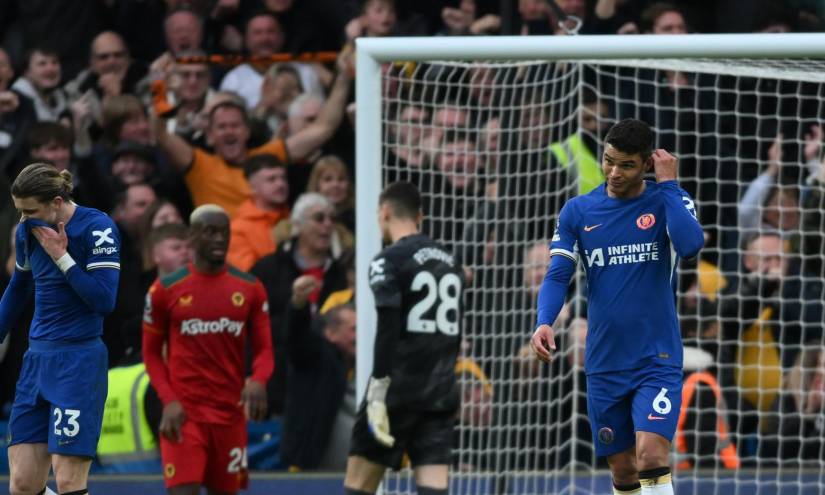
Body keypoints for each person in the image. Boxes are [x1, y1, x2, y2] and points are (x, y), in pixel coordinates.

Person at [531, 118, 704, 495]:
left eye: (625, 164)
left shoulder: (667, 199)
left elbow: (690, 246)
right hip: (605, 360)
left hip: (655, 357)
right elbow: (559, 274)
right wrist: (545, 321)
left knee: (651, 455)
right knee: (624, 470)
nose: (613, 172)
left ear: (646, 165)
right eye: (609, 160)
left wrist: (670, 183)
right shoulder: (578, 211)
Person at [0, 162, 121, 495]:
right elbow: (19, 288)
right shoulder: (27, 231)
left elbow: (104, 301)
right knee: (23, 484)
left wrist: (61, 256)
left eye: (30, 211)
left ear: (56, 202)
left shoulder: (97, 228)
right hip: (37, 361)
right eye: (19, 211)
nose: (23, 219)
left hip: (78, 362)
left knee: (68, 481)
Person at [142, 204, 274, 494]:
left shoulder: (250, 288)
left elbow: (265, 349)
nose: (218, 239)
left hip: (230, 416)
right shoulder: (165, 290)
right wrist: (169, 400)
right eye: (210, 232)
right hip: (184, 415)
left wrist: (258, 380)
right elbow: (151, 354)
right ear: (192, 237)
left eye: (224, 233)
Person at [344, 181, 464, 495]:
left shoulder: (389, 260)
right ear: (420, 215)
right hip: (440, 389)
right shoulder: (450, 262)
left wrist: (378, 390)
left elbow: (388, 326)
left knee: (359, 485)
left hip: (397, 390)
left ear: (384, 212)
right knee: (433, 488)